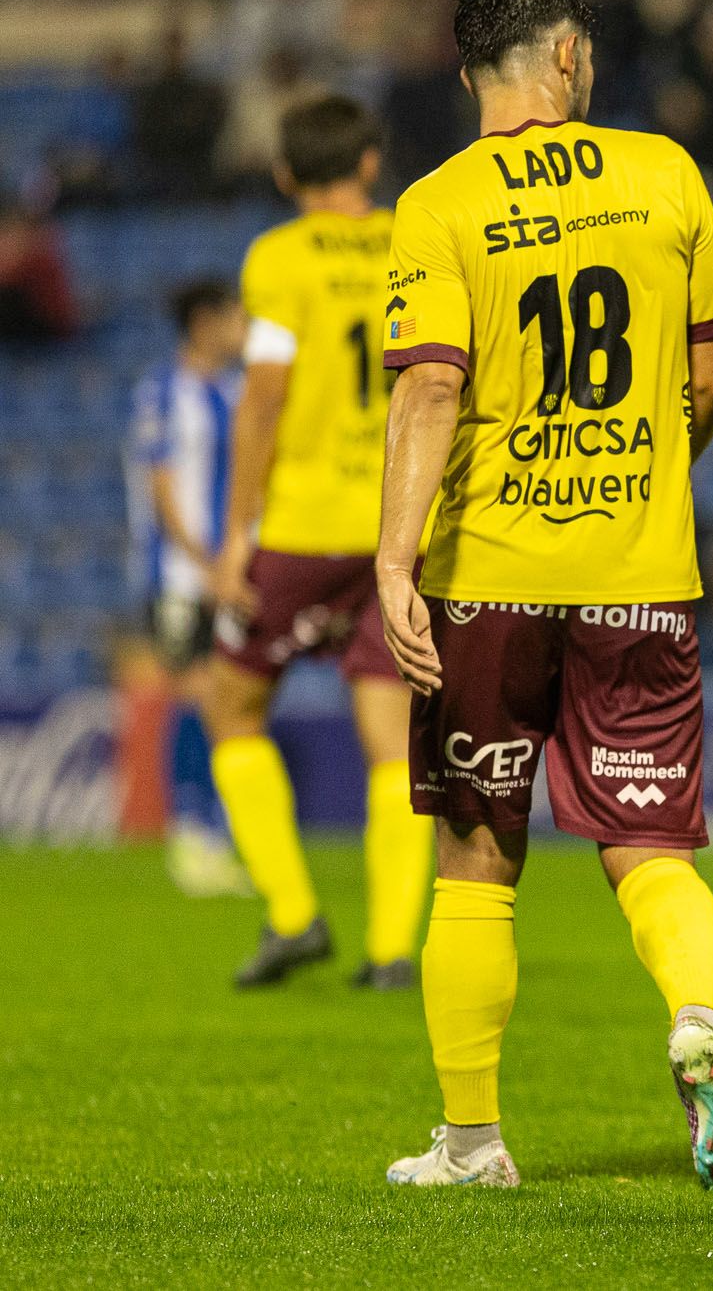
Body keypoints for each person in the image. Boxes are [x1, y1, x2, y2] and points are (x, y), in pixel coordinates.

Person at [375, 0, 713, 1195]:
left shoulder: (437, 203)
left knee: (480, 851)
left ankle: (474, 1140)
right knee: (651, 841)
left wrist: (393, 557)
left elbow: (431, 384)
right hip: (641, 569)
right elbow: (712, 380)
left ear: (469, 76)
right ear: (570, 58)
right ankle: (697, 1016)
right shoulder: (666, 173)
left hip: (489, 571)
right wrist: (649, 473)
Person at [203, 96, 432, 992]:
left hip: (301, 525)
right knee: (390, 733)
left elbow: (263, 395)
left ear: (285, 174)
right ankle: (391, 950)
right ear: (372, 164)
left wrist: (234, 538)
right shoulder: (414, 240)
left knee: (232, 709)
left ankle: (295, 916)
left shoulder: (278, 256)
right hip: (395, 525)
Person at [125, 278, 251, 898]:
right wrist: (204, 561)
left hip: (226, 572)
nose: (243, 331)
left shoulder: (235, 390)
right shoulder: (161, 390)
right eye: (234, 319)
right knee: (198, 693)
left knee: (224, 700)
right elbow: (161, 488)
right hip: (180, 574)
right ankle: (193, 835)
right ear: (203, 321)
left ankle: (217, 833)